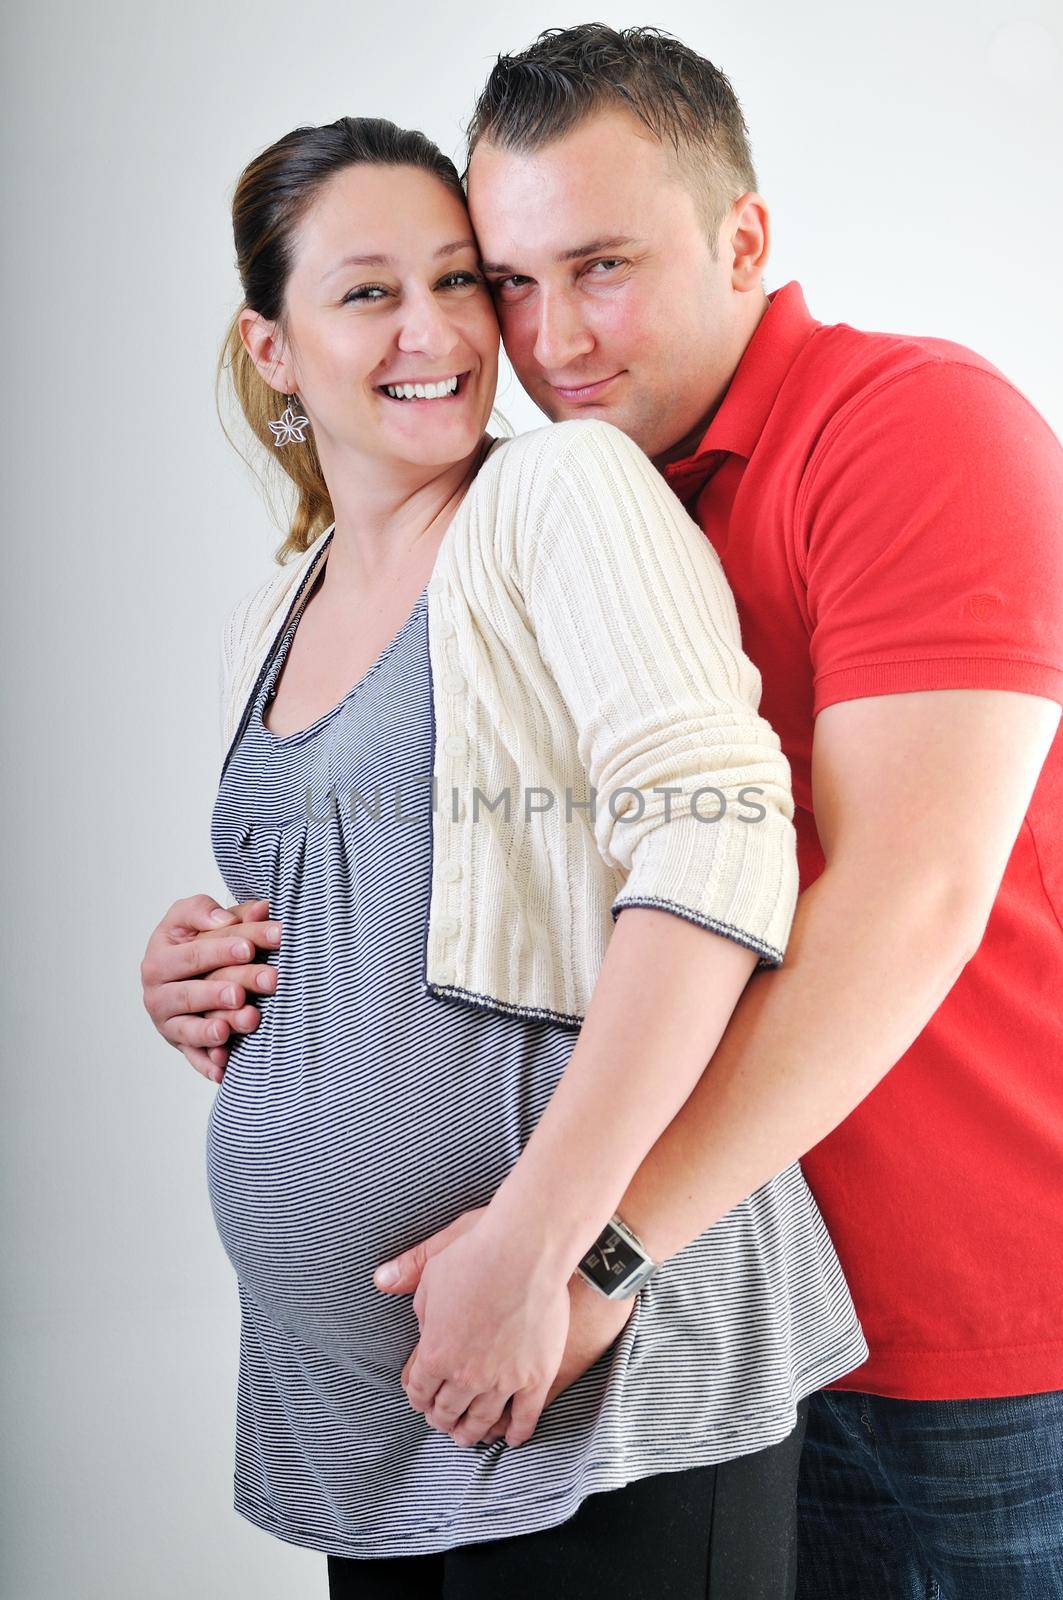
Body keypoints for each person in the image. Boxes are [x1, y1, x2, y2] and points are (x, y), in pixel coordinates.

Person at [139, 25, 1063, 1597]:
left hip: (944, 1332)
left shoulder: (907, 425)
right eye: (512, 279)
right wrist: (231, 961)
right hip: (650, 1297)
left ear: (746, 240)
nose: (549, 335)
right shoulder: (538, 504)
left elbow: (907, 900)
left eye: (605, 265)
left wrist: (595, 1244)